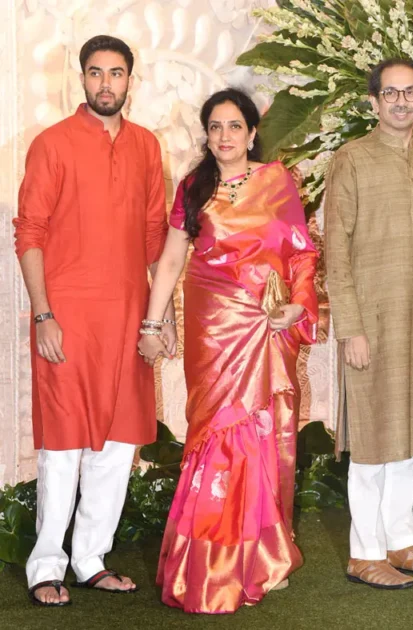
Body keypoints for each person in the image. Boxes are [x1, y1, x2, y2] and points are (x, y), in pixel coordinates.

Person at [138, 88, 318, 614]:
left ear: (253, 131)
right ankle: (210, 561)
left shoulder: (278, 181)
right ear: (207, 134)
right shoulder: (194, 187)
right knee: (217, 434)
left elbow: (302, 254)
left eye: (234, 126)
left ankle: (260, 556)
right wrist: (154, 321)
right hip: (212, 330)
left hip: (264, 327)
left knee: (260, 430)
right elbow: (170, 261)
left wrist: (299, 306)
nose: (224, 136)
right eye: (215, 127)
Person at [14, 35, 173, 607]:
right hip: (68, 319)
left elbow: (157, 239)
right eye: (96, 73)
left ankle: (90, 559)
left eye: (117, 73)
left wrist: (163, 317)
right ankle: (46, 564)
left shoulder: (147, 147)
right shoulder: (53, 144)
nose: (107, 84)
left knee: (117, 444)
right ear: (81, 79)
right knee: (64, 445)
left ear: (132, 79)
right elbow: (28, 233)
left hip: (129, 319)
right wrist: (44, 314)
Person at [324, 58, 413, 590]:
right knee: (372, 435)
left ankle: (402, 541)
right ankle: (365, 551)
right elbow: (334, 250)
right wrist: (351, 328)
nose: (402, 102)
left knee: (411, 434)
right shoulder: (352, 160)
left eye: (411, 93)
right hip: (373, 320)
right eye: (391, 93)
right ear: (374, 101)